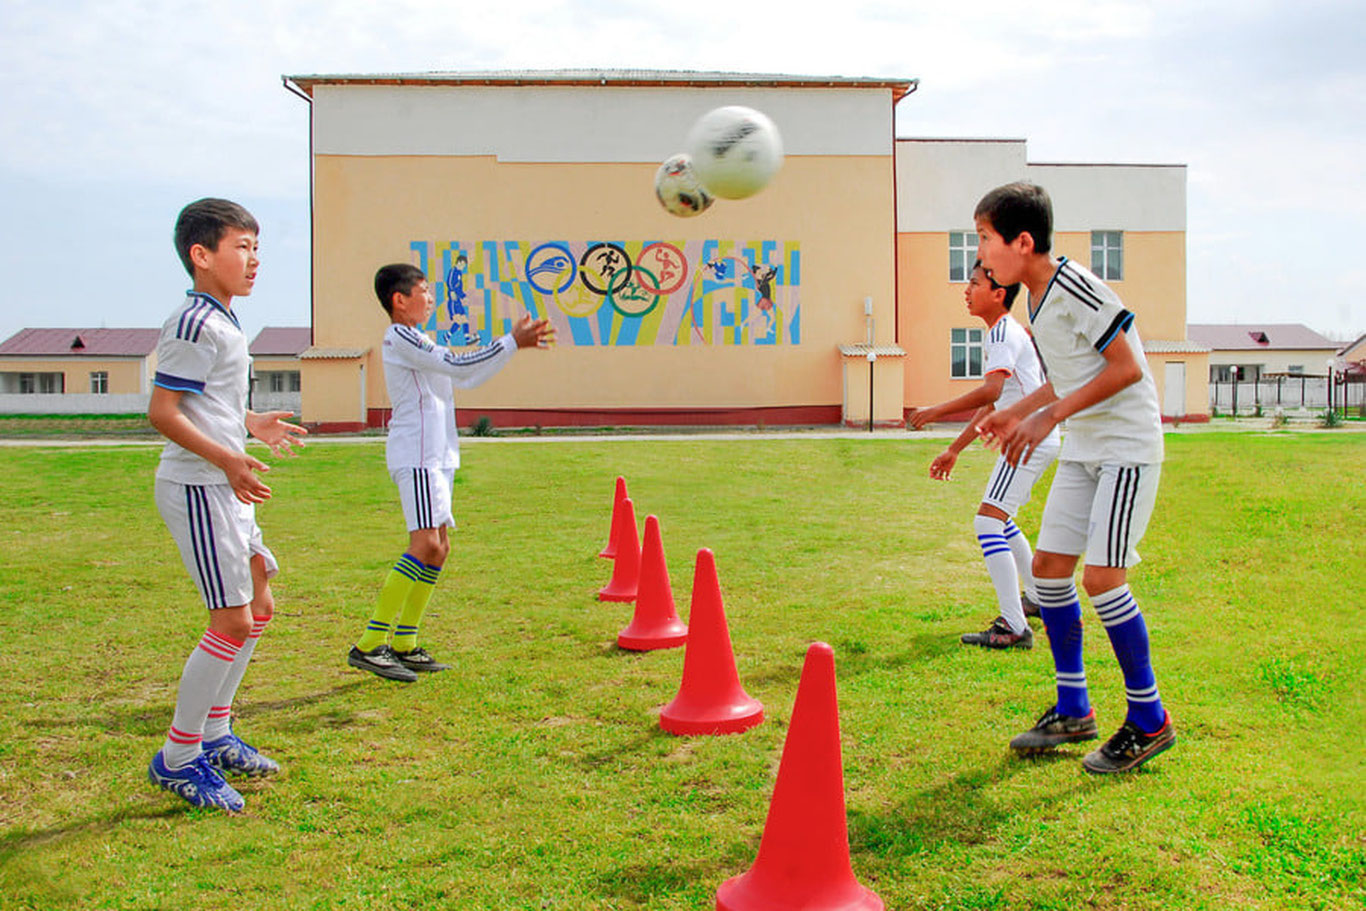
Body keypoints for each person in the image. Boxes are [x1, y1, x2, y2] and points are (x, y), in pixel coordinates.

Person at [973, 181, 1175, 774]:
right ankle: (1073, 707)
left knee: (1104, 577)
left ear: (1022, 241)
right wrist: (1016, 411)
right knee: (1049, 568)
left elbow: (1127, 368)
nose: (980, 254)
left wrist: (1049, 417)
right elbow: (1069, 373)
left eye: (984, 240)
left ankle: (1149, 719)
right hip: (1087, 445)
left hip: (1126, 448)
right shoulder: (1035, 298)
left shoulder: (1077, 287)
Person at [146, 198, 307, 812]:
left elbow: (200, 404)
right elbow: (162, 413)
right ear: (202, 254)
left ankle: (214, 734)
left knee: (258, 602)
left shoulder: (225, 322)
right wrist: (228, 459)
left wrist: (249, 423)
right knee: (232, 619)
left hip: (222, 482)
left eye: (256, 248)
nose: (254, 260)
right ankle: (179, 758)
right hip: (198, 487)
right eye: (242, 247)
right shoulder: (192, 323)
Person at [347, 263, 554, 682]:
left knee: (439, 548)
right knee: (423, 544)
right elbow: (460, 367)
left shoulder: (419, 338)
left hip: (437, 457)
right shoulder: (400, 335)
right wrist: (511, 342)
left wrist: (512, 348)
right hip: (418, 455)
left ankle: (404, 643)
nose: (430, 298)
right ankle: (370, 644)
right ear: (399, 300)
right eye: (423, 291)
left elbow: (469, 376)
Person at [909, 261, 1059, 649]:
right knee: (1001, 520)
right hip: (1036, 436)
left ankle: (1014, 626)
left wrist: (935, 411)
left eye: (973, 283)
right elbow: (996, 403)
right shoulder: (1004, 333)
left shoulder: (1001, 334)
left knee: (988, 522)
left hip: (1031, 438)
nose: (966, 289)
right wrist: (954, 449)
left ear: (998, 293)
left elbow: (991, 393)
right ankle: (1037, 600)